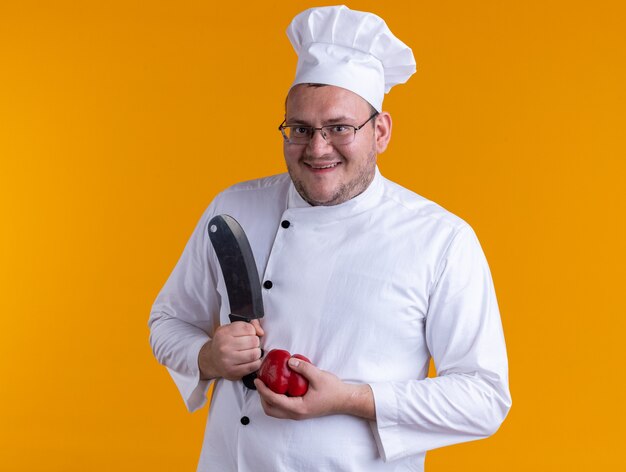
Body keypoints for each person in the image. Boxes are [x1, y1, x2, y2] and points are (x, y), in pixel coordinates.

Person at [149, 5, 511, 471]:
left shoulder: (440, 241)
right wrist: (207, 356)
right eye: (299, 129)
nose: (317, 148)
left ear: (380, 132)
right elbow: (168, 320)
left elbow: (484, 397)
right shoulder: (234, 209)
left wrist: (354, 399)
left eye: (340, 127)